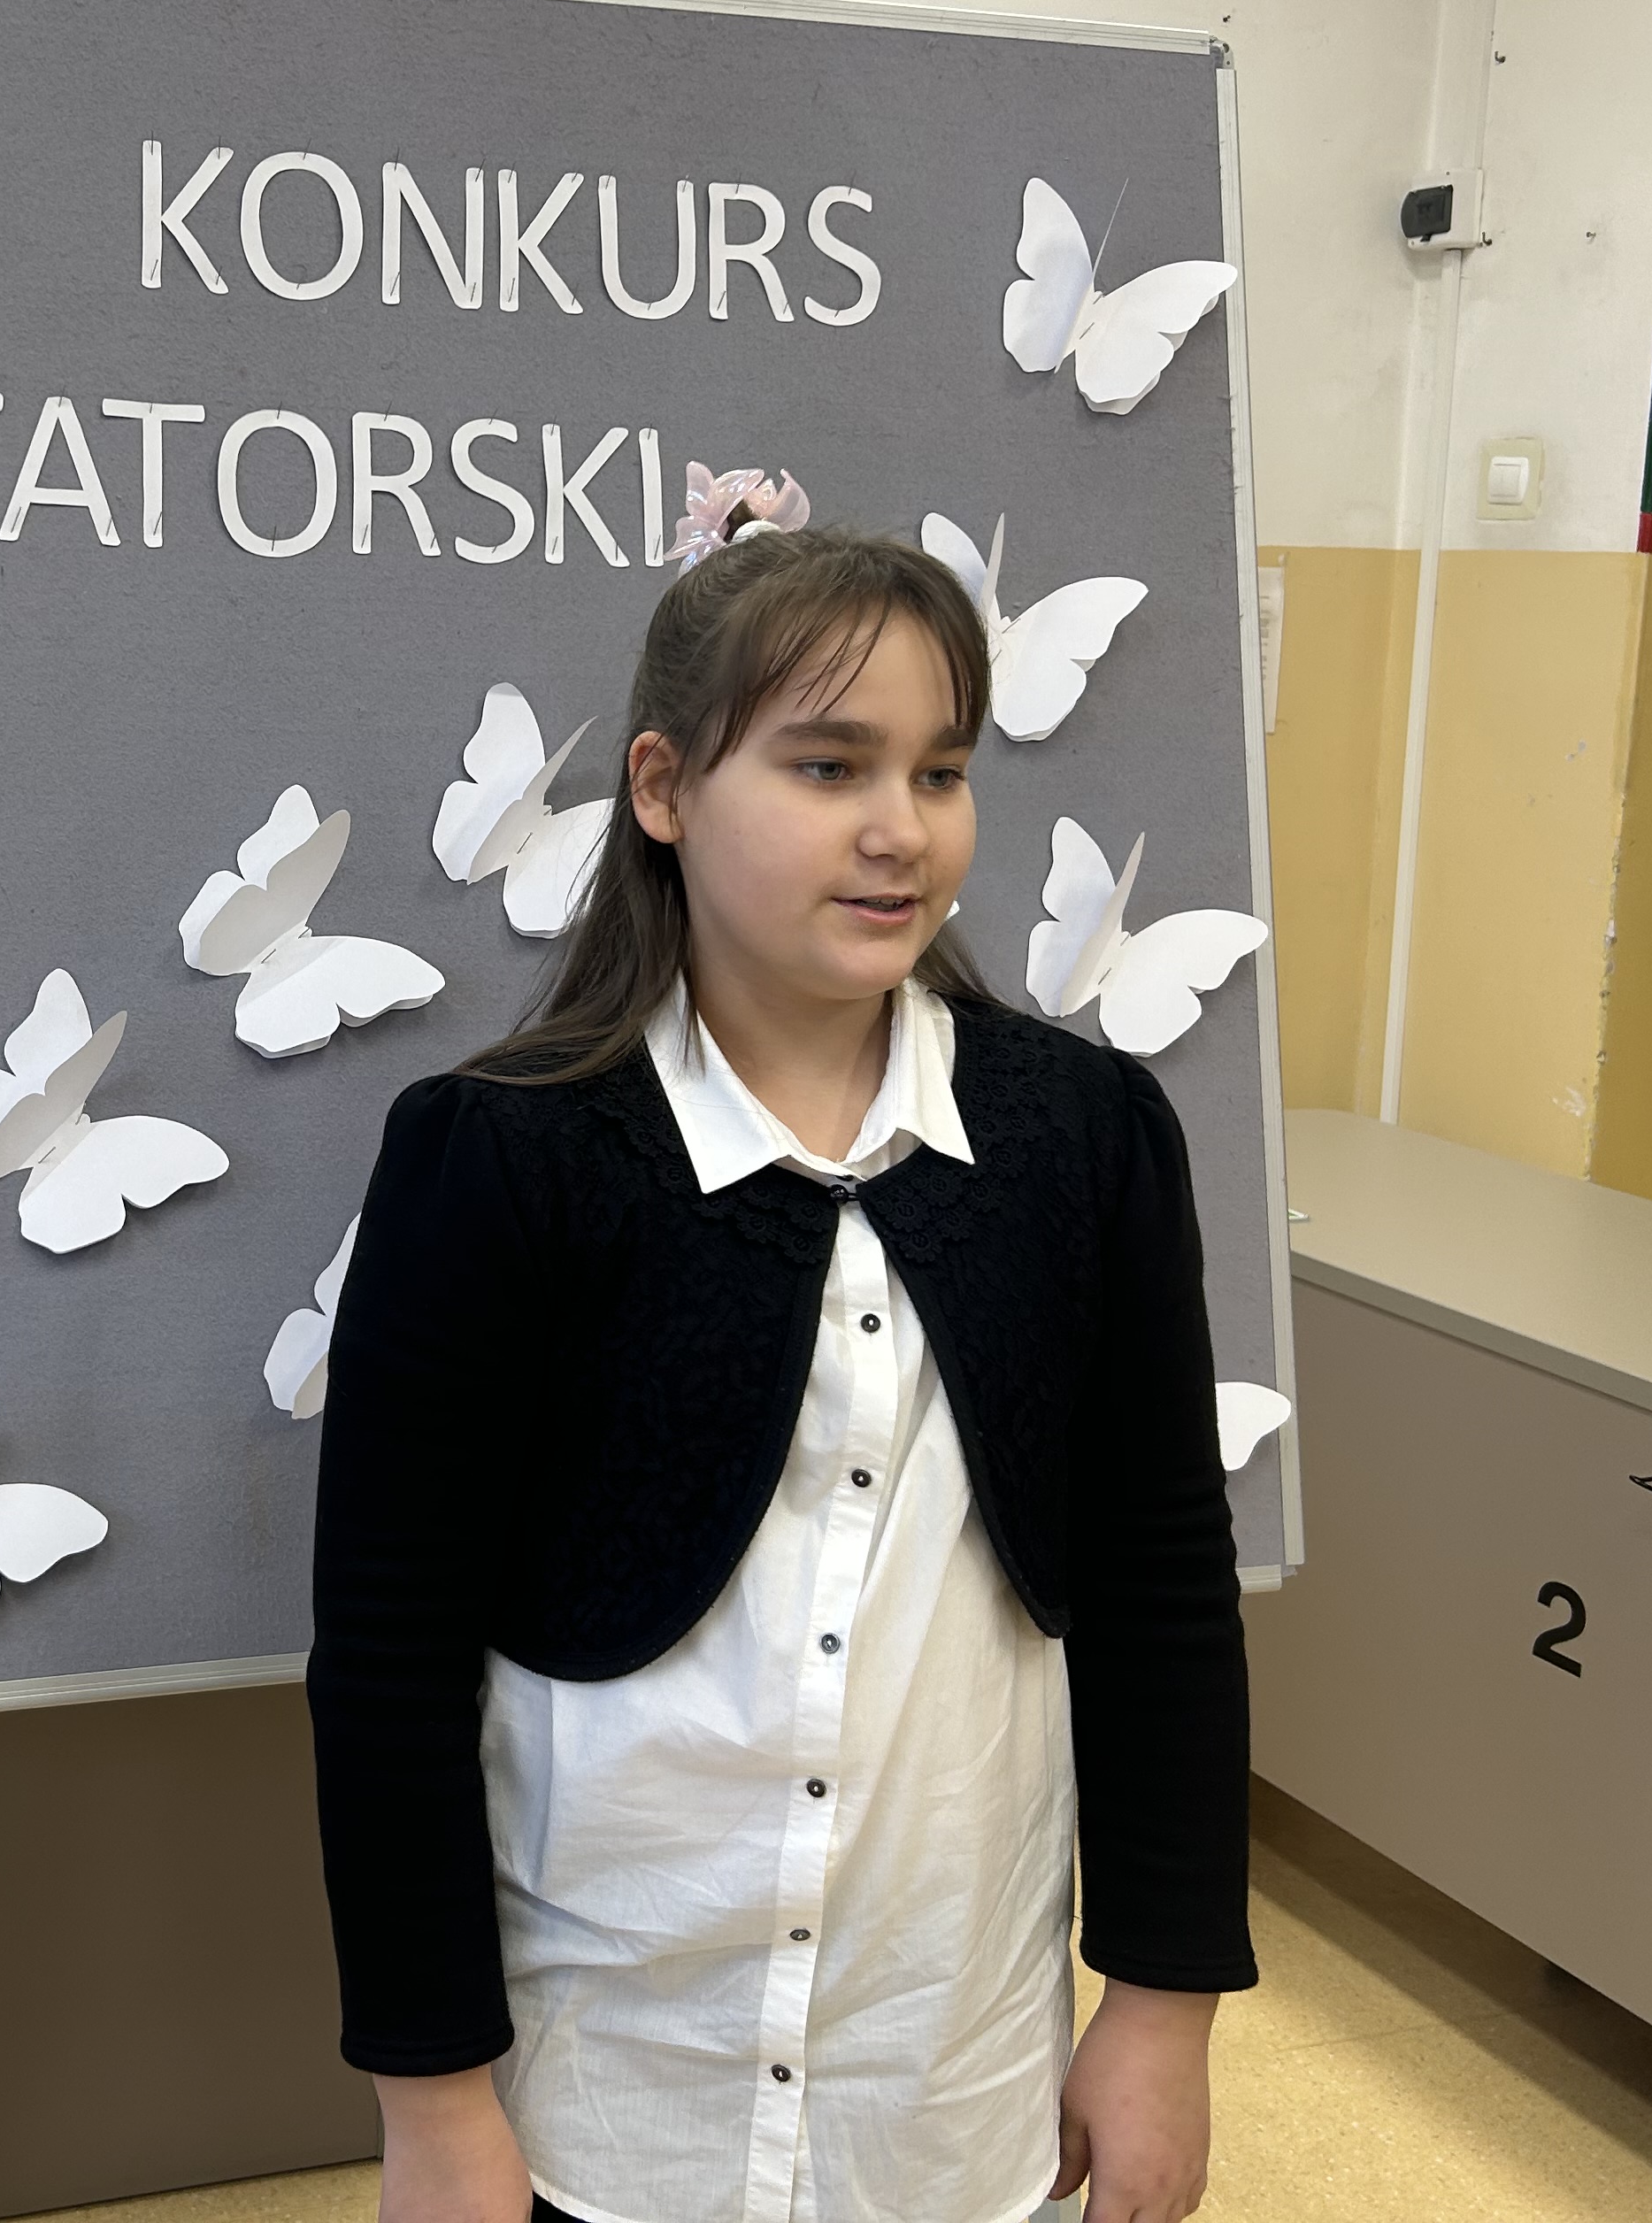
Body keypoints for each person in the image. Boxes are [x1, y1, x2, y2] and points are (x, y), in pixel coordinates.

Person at [307, 516, 1254, 2223]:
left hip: (945, 2065)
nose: (902, 828)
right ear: (663, 786)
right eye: (828, 765)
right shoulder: (500, 1155)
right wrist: (432, 2101)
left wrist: (1162, 2002)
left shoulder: (1082, 1136)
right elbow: (388, 1658)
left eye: (940, 769)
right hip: (612, 2071)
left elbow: (1162, 1583)